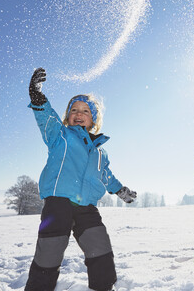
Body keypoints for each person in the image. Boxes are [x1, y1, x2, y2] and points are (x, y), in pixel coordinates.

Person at [25, 67, 137, 291]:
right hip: (59, 202)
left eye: (85, 111)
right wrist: (38, 97)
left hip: (86, 205)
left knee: (100, 247)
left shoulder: (99, 151)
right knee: (50, 251)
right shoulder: (61, 136)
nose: (78, 113)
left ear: (94, 119)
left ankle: (104, 287)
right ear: (68, 116)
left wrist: (120, 190)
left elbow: (106, 175)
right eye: (74, 110)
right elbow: (46, 119)